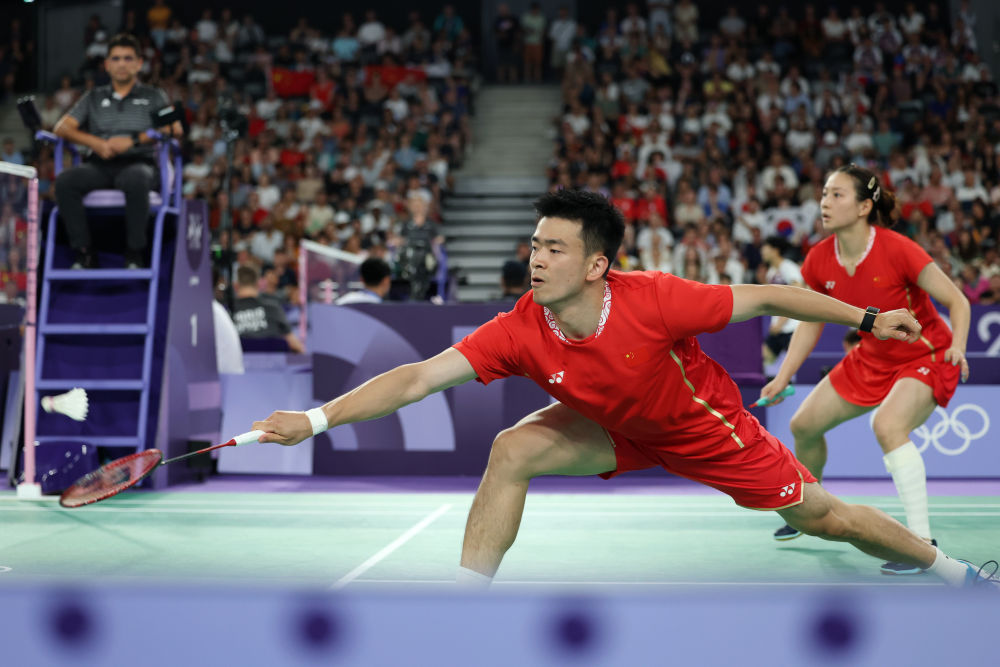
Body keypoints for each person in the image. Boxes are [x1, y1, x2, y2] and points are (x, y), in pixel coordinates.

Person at [251, 189, 993, 589]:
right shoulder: (519, 327)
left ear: (597, 265)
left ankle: (950, 570)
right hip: (614, 429)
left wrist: (868, 318)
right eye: (535, 246)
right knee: (511, 449)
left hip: (704, 430)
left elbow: (770, 296)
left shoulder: (656, 298)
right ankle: (467, 607)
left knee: (826, 516)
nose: (536, 260)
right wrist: (315, 419)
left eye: (554, 248)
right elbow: (417, 377)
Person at [760, 164, 971, 576]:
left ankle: (922, 544)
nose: (825, 201)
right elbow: (810, 319)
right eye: (824, 193)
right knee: (804, 426)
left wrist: (958, 347)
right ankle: (809, 510)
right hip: (871, 356)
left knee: (888, 426)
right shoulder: (819, 259)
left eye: (836, 194)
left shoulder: (899, 249)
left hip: (924, 355)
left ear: (863, 207)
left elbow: (957, 301)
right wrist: (783, 375)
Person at [53, 33, 182, 270]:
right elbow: (61, 127)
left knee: (136, 179)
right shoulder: (93, 96)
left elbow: (175, 128)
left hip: (139, 162)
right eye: (116, 58)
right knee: (65, 181)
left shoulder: (154, 95)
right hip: (99, 164)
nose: (122, 64)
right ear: (107, 64)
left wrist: (133, 141)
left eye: (128, 58)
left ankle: (134, 253)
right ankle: (84, 252)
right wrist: (96, 143)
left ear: (139, 63)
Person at [231, 265, 305, 353]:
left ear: (235, 286)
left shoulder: (228, 313)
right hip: (274, 361)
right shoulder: (273, 308)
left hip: (240, 361)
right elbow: (296, 345)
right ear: (258, 284)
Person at [760, 236, 804, 365]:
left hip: (792, 326)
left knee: (793, 367)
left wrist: (781, 322)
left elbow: (798, 293)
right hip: (778, 327)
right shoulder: (771, 272)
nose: (762, 251)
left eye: (765, 248)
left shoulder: (788, 267)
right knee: (764, 359)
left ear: (775, 250)